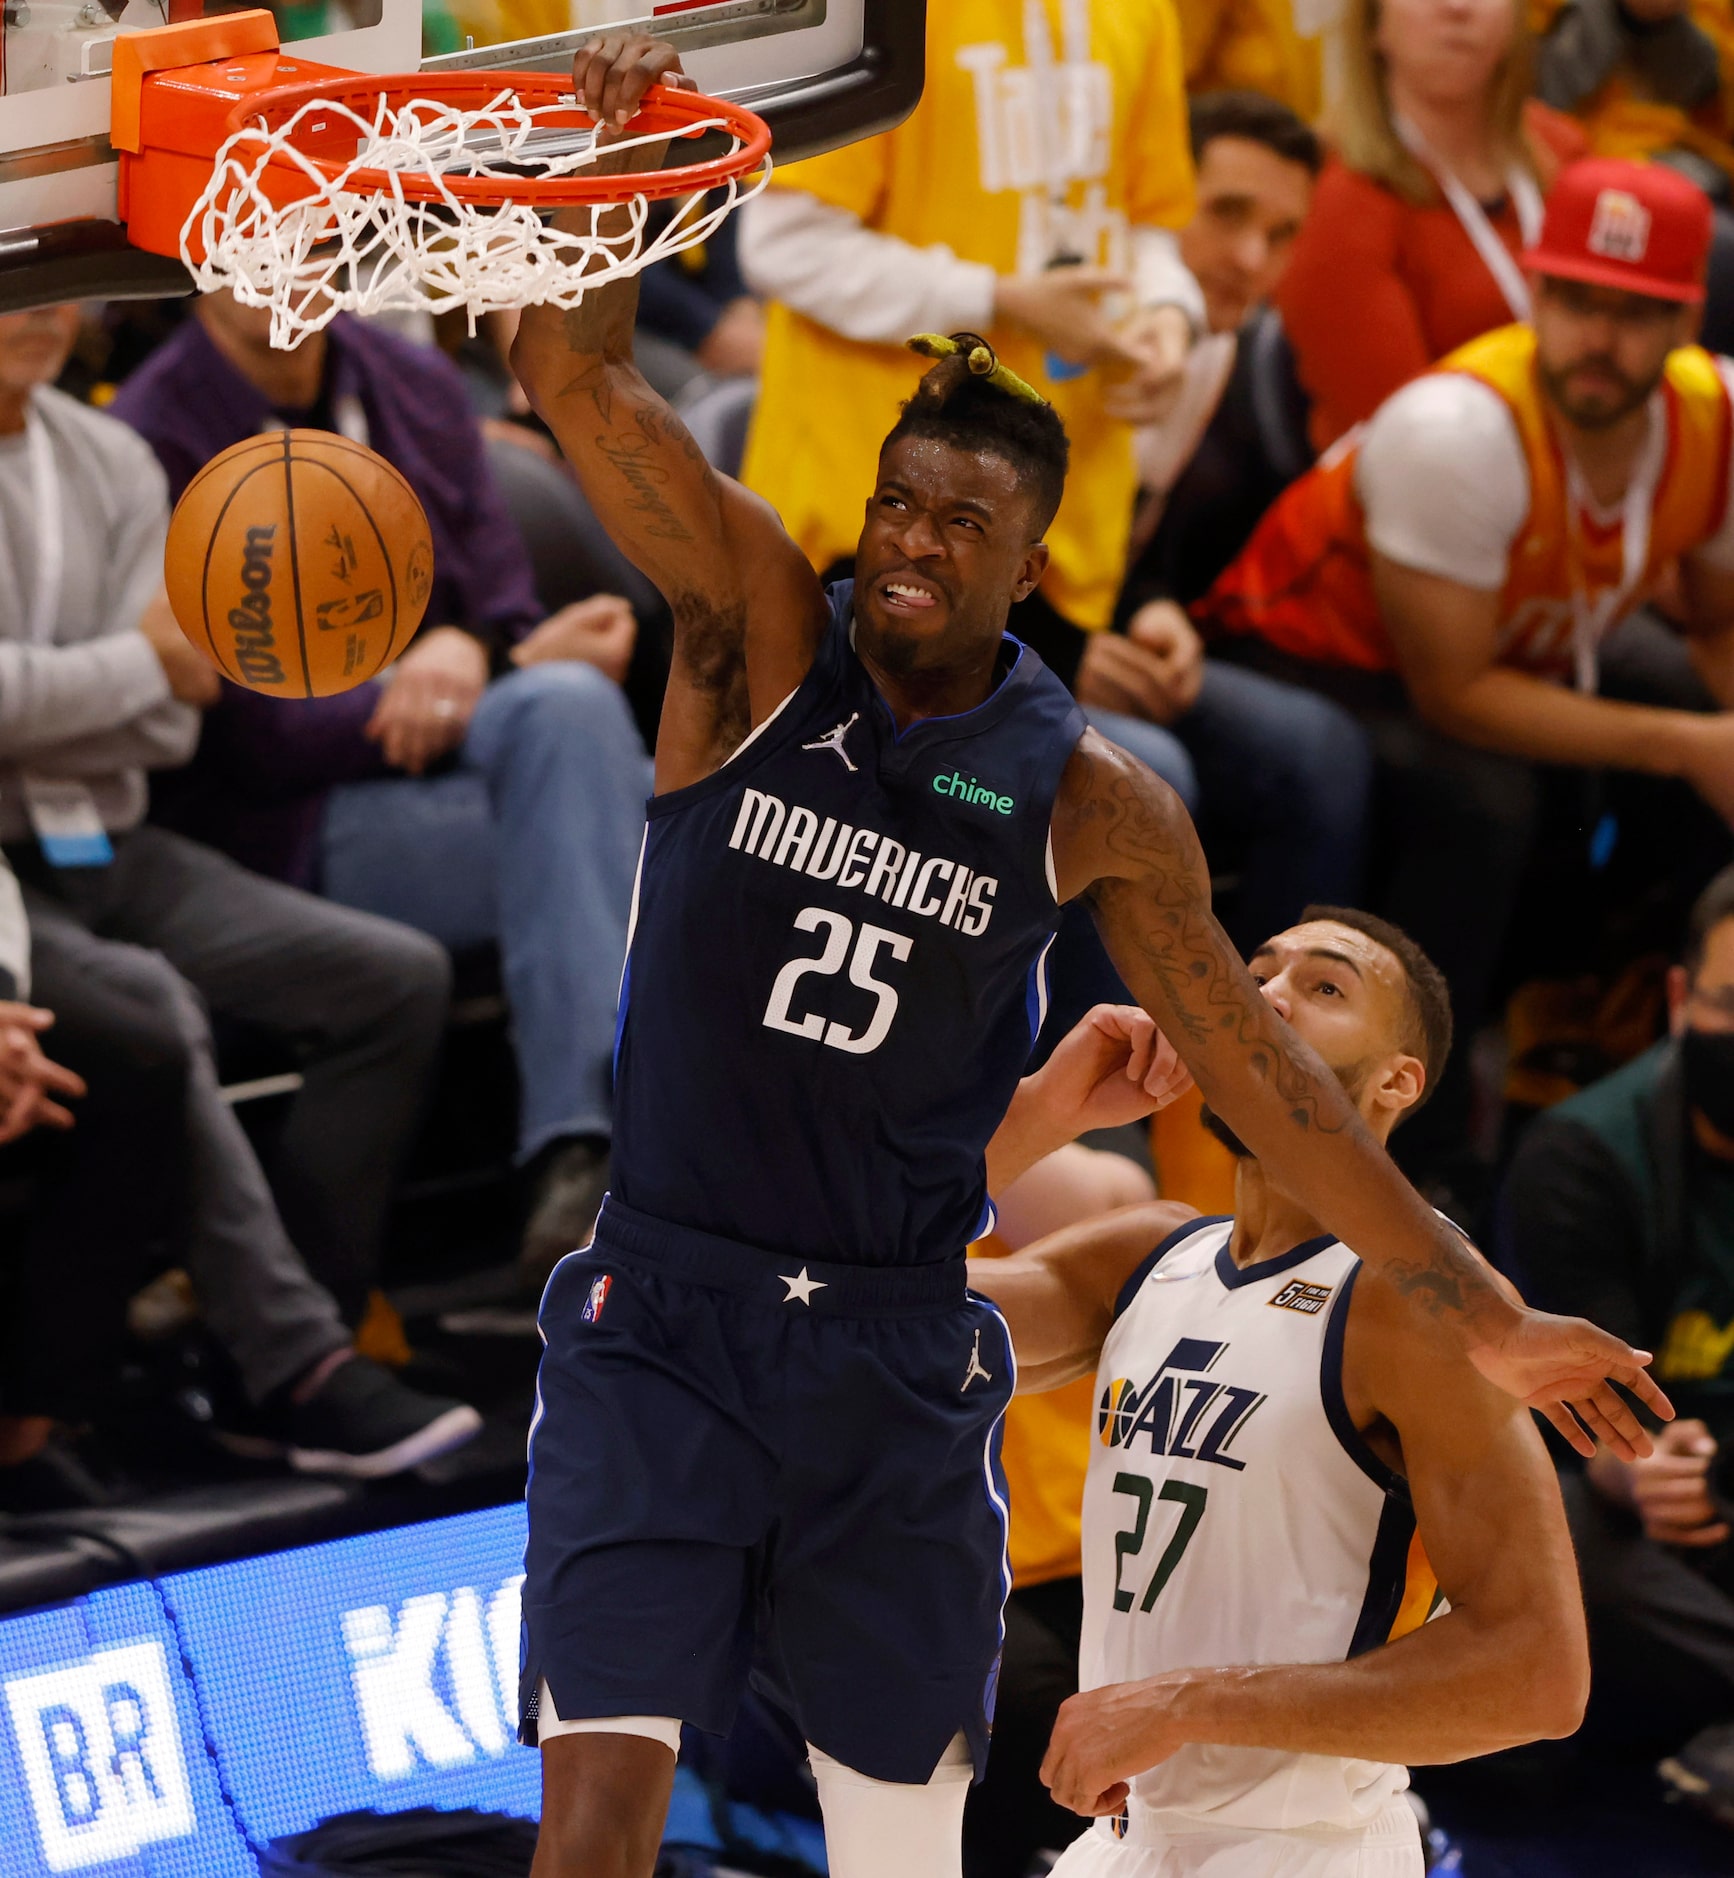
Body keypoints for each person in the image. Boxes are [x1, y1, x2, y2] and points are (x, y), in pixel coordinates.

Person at [509, 37, 1663, 1878]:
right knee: (589, 1822)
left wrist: (1471, 1297)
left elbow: (1267, 1085)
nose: (910, 544)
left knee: (899, 1847)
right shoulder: (741, 628)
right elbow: (571, 372)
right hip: (660, 1301)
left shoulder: (1094, 800)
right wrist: (613, 153)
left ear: (1032, 569)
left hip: (888, 1343)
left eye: (961, 525)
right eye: (896, 501)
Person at [972, 910, 1591, 1876]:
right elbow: (862, 1300)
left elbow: (1537, 1675)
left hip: (1306, 1850)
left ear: (1399, 1080)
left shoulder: (1416, 1299)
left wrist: (1188, 1703)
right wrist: (1040, 1120)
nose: (1267, 996)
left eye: (1325, 986)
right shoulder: (1147, 1255)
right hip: (1129, 1840)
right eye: (1253, 973)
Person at [0, 302, 481, 1478]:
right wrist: (131, 671)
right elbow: (154, 674)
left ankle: (262, 1358)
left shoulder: (108, 452)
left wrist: (80, 696)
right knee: (147, 1003)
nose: (46, 310)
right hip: (11, 870)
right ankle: (298, 1364)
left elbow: (177, 717)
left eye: (62, 284)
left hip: (114, 838)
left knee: (392, 979)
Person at [1197, 156, 1734, 1165]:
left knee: (1679, 728)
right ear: (1535, 293)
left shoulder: (1717, 422)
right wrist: (1692, 744)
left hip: (1506, 631)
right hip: (1309, 648)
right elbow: (1457, 694)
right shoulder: (1459, 432)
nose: (1599, 341)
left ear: (1688, 319)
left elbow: (1715, 626)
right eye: (1576, 301)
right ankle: (1425, 1147)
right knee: (1484, 797)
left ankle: (1591, 1024)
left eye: (1634, 310)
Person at [111, 293, 652, 1279]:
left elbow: (503, 604)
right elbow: (251, 737)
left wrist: (472, 650)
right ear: (204, 254)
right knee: (668, 836)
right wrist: (442, 678)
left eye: (323, 225)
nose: (290, 261)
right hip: (284, 825)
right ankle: (636, 1152)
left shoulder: (409, 378)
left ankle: (584, 1155)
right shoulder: (152, 433)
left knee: (574, 709)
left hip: (474, 764)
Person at [1087, 90, 1368, 956]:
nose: (1253, 258)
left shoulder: (1214, 345)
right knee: (1149, 782)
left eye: (1283, 235)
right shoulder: (1083, 319)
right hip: (993, 643)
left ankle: (1251, 1059)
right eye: (1227, 216)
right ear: (1158, 200)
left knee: (1321, 750)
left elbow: (1127, 532)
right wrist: (1059, 648)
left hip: (1084, 626)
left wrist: (1150, 606)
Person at [1502, 862, 1734, 1810]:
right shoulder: (1581, 1156)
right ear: (1681, 998)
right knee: (1557, 1558)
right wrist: (1639, 1465)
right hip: (1621, 1476)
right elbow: (1575, 1411)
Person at [1276, 0, 1577, 451]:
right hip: (1424, 490)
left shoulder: (1564, 152)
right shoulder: (1335, 202)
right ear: (1374, 25)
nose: (1458, 8)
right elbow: (1404, 435)